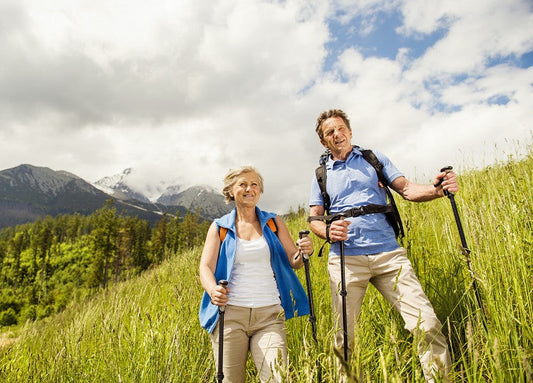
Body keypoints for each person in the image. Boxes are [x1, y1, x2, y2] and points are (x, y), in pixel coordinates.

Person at [308, 109, 455, 382]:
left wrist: (437, 190)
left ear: (350, 131)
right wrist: (327, 231)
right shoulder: (321, 173)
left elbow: (407, 189)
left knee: (427, 323)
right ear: (323, 142)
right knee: (345, 336)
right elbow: (314, 219)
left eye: (340, 128)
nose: (336, 134)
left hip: (389, 254)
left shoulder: (373, 159)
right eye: (330, 133)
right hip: (345, 260)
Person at [199, 165, 312, 383]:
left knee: (277, 378)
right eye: (243, 184)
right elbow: (205, 267)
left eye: (254, 184)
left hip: (269, 316)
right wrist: (213, 290)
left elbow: (294, 260)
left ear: (259, 190)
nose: (249, 189)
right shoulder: (219, 227)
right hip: (230, 316)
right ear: (231, 191)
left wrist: (304, 252)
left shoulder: (273, 222)